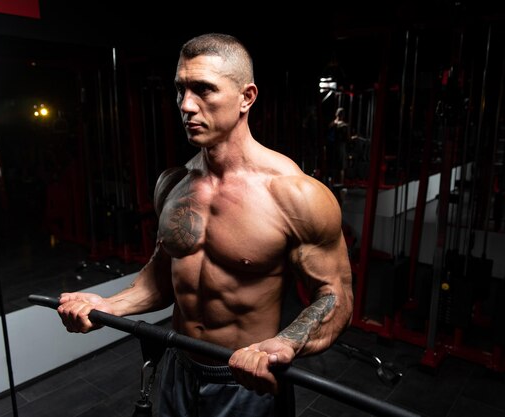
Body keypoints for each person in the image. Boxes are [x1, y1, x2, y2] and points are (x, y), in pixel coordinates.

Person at [57, 32, 354, 417]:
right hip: (177, 367)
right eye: (181, 89)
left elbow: (335, 295)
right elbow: (163, 277)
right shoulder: (173, 183)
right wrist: (107, 305)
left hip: (246, 380)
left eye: (203, 90)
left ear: (246, 97)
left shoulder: (295, 194)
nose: (186, 105)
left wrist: (285, 344)